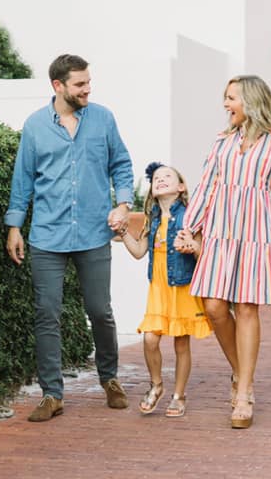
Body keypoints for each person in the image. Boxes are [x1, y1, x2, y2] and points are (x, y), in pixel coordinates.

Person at [5, 53, 134, 422]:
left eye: (89, 82)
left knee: (100, 311)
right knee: (47, 314)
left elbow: (121, 165)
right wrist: (15, 226)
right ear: (58, 86)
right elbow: (23, 181)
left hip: (94, 232)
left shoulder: (103, 119)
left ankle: (109, 379)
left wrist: (123, 204)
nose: (87, 89)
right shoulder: (34, 127)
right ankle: (52, 394)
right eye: (80, 84)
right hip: (47, 235)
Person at [175, 74, 271, 429]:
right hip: (219, 232)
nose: (225, 104)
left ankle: (244, 391)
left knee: (247, 307)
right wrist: (189, 226)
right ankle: (240, 372)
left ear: (250, 101)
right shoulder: (222, 141)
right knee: (215, 306)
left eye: (231, 98)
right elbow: (205, 186)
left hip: (256, 231)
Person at [117, 161, 211, 418]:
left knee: (181, 344)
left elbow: (203, 253)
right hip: (158, 289)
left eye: (167, 176)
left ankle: (179, 395)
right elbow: (138, 252)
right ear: (152, 190)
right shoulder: (153, 219)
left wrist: (191, 246)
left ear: (181, 187)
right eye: (156, 178)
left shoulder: (190, 217)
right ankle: (156, 384)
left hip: (181, 288)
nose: (160, 179)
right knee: (150, 339)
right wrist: (124, 232)